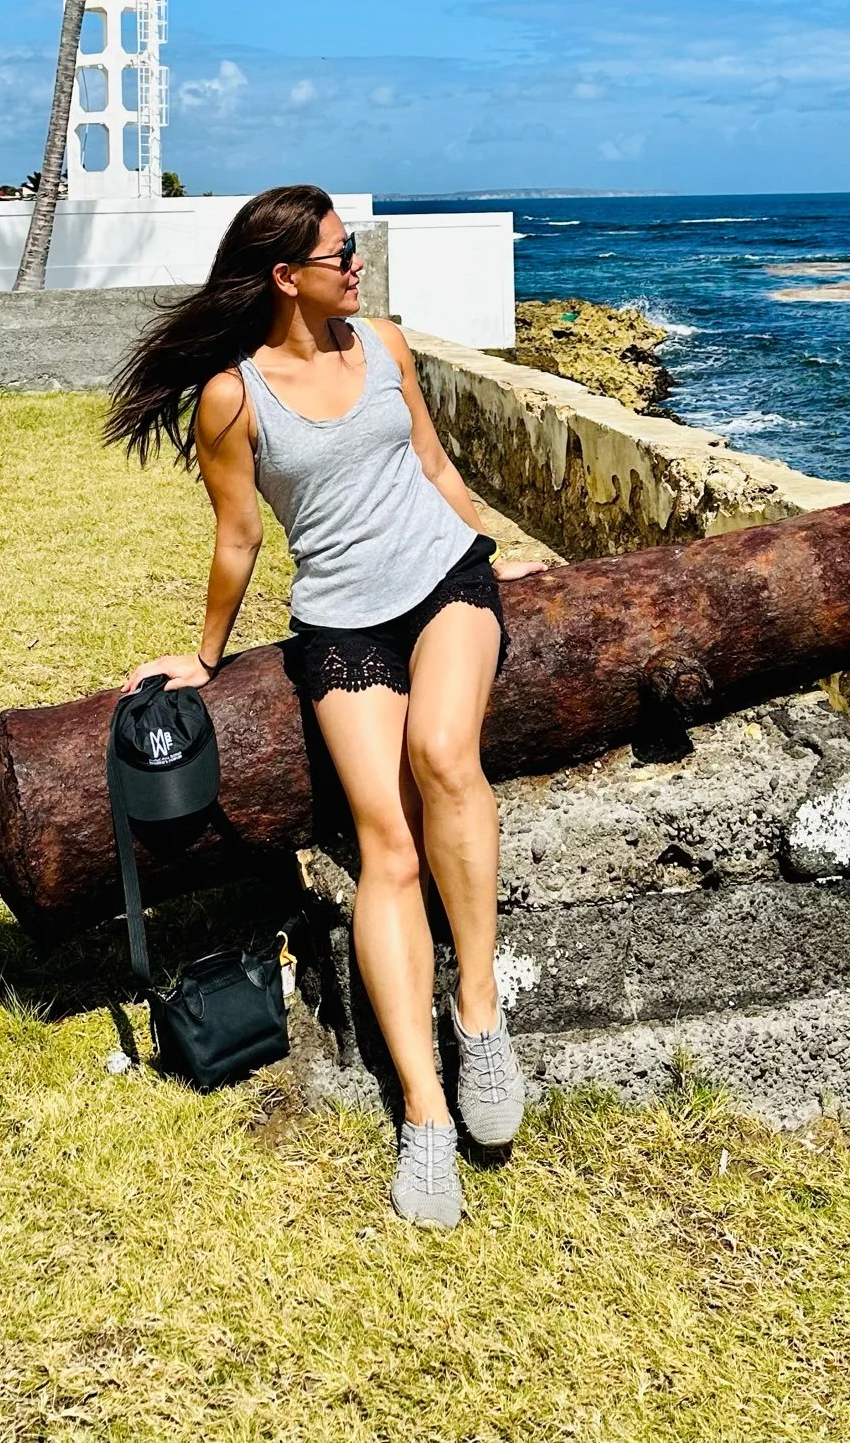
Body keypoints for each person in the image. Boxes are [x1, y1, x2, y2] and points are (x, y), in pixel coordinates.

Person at [106, 183, 541, 1228]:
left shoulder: (384, 343)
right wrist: (205, 659)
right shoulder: (233, 395)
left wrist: (504, 556)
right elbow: (239, 537)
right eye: (339, 253)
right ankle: (426, 1116)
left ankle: (477, 1015)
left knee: (443, 755)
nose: (356, 266)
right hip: (341, 625)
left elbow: (434, 466)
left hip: (447, 584)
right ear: (284, 275)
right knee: (384, 846)